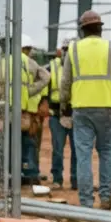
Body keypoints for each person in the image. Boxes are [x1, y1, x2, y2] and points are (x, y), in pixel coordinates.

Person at [59, 11, 111, 210]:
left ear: (82, 30)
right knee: (106, 152)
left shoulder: (74, 50)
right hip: (106, 108)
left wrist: (63, 105)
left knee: (83, 155)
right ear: (101, 28)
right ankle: (106, 198)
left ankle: (86, 202)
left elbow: (65, 82)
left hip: (81, 109)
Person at [0, 34, 49, 186]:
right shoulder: (29, 63)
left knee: (9, 144)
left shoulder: (3, 62)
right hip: (25, 112)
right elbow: (46, 78)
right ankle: (30, 174)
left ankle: (10, 175)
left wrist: (3, 95)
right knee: (28, 144)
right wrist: (30, 91)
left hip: (8, 111)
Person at [45, 40, 77, 189]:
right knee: (58, 148)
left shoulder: (80, 67)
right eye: (65, 49)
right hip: (57, 115)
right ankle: (57, 179)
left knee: (77, 150)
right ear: (60, 51)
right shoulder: (52, 67)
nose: (67, 52)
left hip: (75, 114)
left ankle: (76, 180)